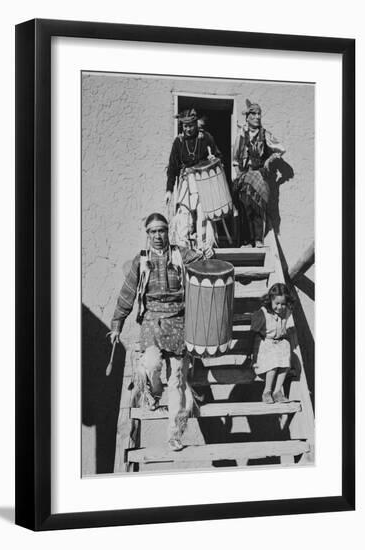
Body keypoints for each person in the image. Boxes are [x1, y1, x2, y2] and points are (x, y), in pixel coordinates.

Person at [110, 213, 213, 451]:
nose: (158, 236)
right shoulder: (141, 260)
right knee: (152, 364)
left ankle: (175, 434)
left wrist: (207, 254)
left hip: (178, 321)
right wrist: (117, 325)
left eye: (162, 230)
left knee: (177, 380)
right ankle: (154, 392)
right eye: (153, 231)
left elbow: (202, 263)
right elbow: (127, 295)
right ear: (147, 234)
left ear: (168, 232)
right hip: (151, 322)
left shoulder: (180, 254)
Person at [165, 108, 223, 248]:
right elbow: (172, 167)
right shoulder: (178, 142)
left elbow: (219, 157)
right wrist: (169, 190)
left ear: (196, 124)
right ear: (182, 126)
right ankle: (183, 247)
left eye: (191, 125)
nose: (188, 129)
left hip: (204, 180)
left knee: (203, 212)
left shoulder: (206, 137)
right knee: (184, 213)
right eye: (185, 126)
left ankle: (204, 245)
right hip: (186, 180)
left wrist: (214, 158)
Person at [232, 99, 286, 247]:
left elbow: (281, 148)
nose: (257, 117)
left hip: (260, 176)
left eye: (259, 114)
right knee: (245, 208)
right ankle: (247, 241)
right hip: (245, 176)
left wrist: (270, 159)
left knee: (258, 207)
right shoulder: (241, 135)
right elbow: (235, 159)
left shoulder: (265, 135)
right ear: (247, 117)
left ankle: (258, 239)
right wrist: (239, 175)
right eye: (254, 114)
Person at [248, 283, 294, 404]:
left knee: (285, 348)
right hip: (265, 345)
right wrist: (251, 355)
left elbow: (284, 328)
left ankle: (277, 391)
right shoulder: (262, 314)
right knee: (274, 357)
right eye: (277, 304)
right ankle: (267, 391)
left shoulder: (286, 311)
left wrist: (284, 322)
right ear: (270, 300)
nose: (280, 307)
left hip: (277, 344)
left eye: (283, 304)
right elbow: (253, 333)